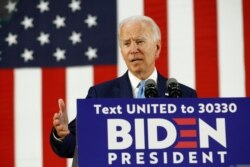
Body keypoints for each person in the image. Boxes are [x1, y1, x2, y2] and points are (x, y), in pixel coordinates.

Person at [50, 15, 197, 158]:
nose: (133, 49)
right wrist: (62, 134)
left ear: (157, 47)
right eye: (127, 44)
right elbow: (72, 146)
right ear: (122, 52)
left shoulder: (183, 95)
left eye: (139, 41)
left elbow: (197, 147)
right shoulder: (100, 95)